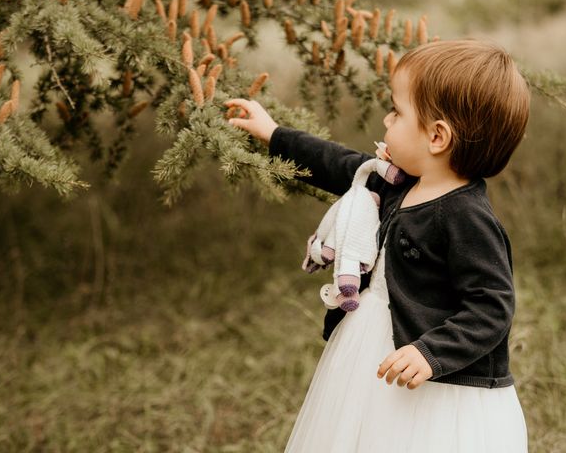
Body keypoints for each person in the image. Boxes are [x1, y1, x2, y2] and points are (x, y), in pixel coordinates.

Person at [224, 39, 530, 452]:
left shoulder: (467, 217)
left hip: (439, 378)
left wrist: (431, 353)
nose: (387, 119)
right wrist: (274, 133)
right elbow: (337, 164)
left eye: (397, 111)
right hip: (370, 342)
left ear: (437, 136)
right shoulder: (399, 180)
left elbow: (492, 306)